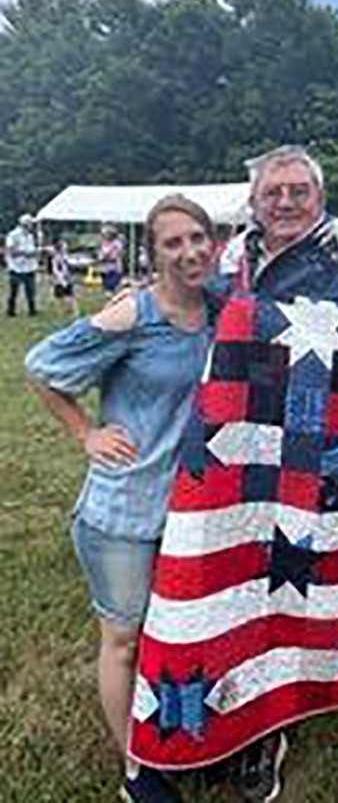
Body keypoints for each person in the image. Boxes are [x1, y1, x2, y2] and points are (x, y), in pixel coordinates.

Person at [128, 146, 338, 801]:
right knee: (253, 585)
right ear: (254, 201)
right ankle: (266, 723)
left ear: (318, 195)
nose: (284, 202)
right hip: (242, 455)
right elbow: (204, 308)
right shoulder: (235, 255)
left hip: (314, 457)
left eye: (297, 191)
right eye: (272, 192)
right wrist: (153, 295)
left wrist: (250, 321)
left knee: (335, 581)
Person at [26, 195, 216, 803]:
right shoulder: (132, 313)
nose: (188, 251)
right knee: (124, 640)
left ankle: (181, 737)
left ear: (212, 242)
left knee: (180, 635)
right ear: (152, 251)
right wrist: (87, 433)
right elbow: (43, 365)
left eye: (196, 238)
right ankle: (137, 770)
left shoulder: (219, 310)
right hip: (124, 513)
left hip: (191, 512)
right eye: (172, 242)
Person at [5, 213, 39, 316]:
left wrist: (35, 253)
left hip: (29, 267)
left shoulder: (30, 236)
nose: (32, 226)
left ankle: (32, 310)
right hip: (16, 268)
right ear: (24, 224)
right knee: (14, 292)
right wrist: (26, 253)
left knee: (31, 291)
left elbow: (32, 249)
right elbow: (11, 251)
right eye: (30, 224)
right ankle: (11, 311)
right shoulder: (13, 235)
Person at [49, 239, 78, 317]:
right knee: (60, 297)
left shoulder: (66, 256)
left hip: (67, 278)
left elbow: (70, 266)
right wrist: (61, 279)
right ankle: (61, 312)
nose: (66, 249)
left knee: (71, 295)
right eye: (64, 247)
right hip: (59, 279)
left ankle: (74, 311)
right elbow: (55, 270)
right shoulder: (55, 258)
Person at [98, 223, 125, 294]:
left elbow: (117, 254)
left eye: (107, 234)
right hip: (104, 268)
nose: (105, 236)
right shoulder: (103, 244)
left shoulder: (117, 244)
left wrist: (108, 254)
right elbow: (101, 255)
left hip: (114, 268)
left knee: (112, 287)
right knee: (106, 287)